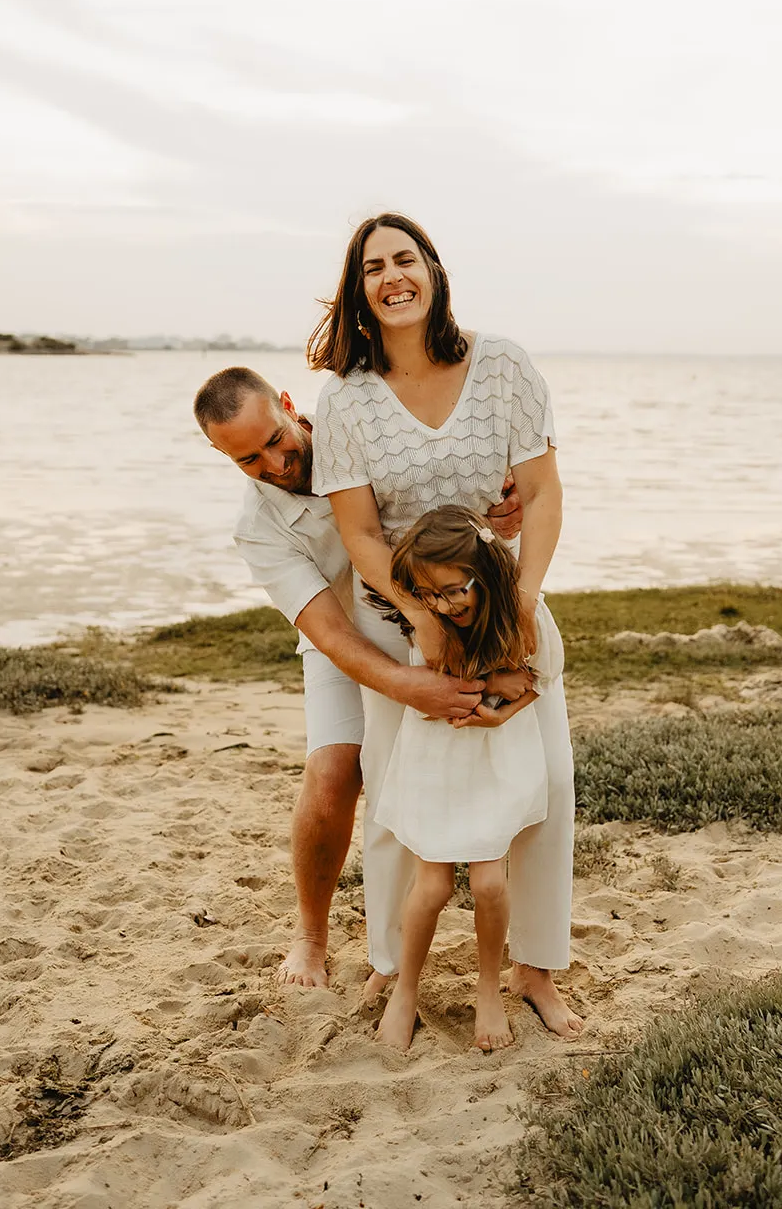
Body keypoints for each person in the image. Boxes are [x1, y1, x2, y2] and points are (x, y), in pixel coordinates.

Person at [310, 211, 583, 1039]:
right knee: (399, 794)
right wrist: (420, 616)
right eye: (372, 268)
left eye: (405, 259)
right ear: (358, 291)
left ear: (432, 269)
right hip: (399, 615)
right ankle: (392, 965)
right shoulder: (345, 398)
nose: (392, 276)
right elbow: (359, 533)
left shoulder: (501, 364)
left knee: (544, 786)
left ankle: (535, 968)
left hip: (502, 607)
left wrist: (523, 601)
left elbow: (540, 494)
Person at [192, 366, 521, 990]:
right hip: (340, 639)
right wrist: (405, 685)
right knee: (335, 770)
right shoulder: (257, 526)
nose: (274, 464)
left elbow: (449, 481)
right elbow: (327, 631)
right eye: (248, 460)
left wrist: (502, 505)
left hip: (434, 617)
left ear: (288, 404)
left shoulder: (364, 429)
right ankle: (311, 935)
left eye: (275, 440)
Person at [373, 505, 565, 1051]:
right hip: (435, 762)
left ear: (486, 572)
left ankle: (488, 989)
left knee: (489, 883)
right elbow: (439, 685)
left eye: (454, 591)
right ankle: (405, 990)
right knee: (432, 886)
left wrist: (504, 710)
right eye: (429, 594)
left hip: (492, 764)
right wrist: (493, 683)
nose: (443, 605)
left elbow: (543, 677)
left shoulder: (524, 615)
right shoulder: (431, 625)